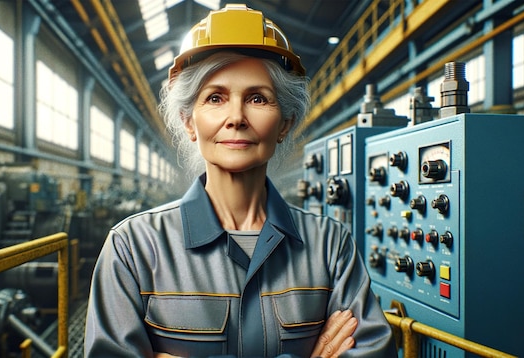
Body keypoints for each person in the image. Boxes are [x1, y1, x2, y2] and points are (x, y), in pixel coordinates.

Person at [84, 4, 396, 357]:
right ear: (189, 122)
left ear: (285, 123)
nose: (236, 117)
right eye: (215, 98)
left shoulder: (330, 247)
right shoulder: (133, 249)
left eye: (257, 98)